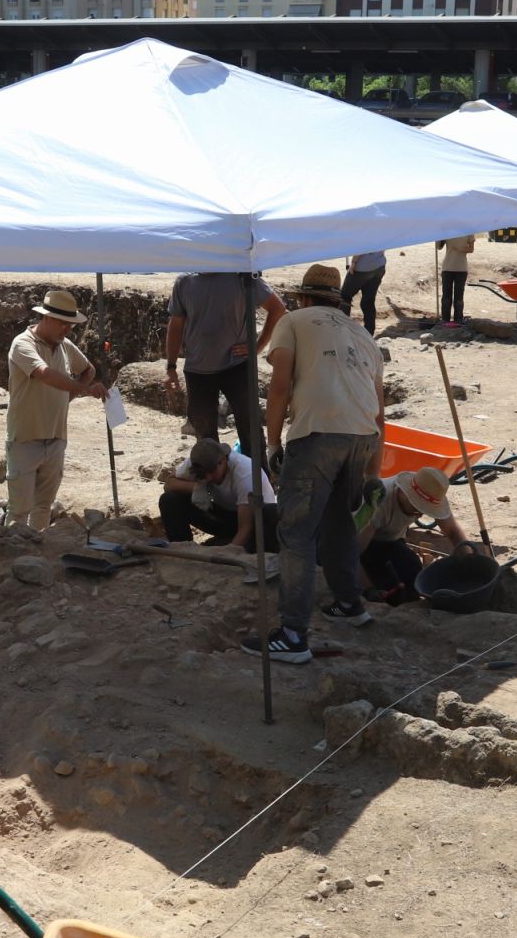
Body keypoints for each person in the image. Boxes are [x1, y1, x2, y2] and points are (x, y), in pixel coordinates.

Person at [243, 263, 384, 664]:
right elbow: (380, 411)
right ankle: (350, 603)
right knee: (339, 521)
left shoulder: (292, 321)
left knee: (297, 533)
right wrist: (374, 470)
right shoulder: (363, 335)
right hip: (362, 436)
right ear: (337, 301)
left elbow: (280, 387)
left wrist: (273, 443)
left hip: (317, 433)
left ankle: (292, 635)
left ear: (303, 297)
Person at [5, 289, 104, 530]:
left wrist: (71, 395)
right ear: (47, 318)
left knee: (43, 506)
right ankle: (11, 550)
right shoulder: (23, 343)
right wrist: (83, 390)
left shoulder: (64, 345)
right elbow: (45, 374)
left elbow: (88, 369)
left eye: (70, 325)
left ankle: (37, 545)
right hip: (26, 438)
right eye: (63, 323)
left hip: (56, 438)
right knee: (19, 510)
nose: (67, 329)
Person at [163, 272, 288, 446]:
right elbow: (176, 324)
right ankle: (212, 464)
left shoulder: (240, 276)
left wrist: (257, 347)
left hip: (237, 366)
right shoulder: (184, 282)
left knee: (251, 431)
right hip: (197, 370)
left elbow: (277, 308)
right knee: (205, 437)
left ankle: (256, 465)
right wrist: (171, 367)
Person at [352, 466, 468, 603]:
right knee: (384, 585)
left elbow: (452, 531)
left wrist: (471, 560)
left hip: (390, 541)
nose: (420, 515)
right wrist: (369, 589)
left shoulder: (431, 488)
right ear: (405, 493)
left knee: (412, 570)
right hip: (358, 542)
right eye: (417, 508)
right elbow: (351, 554)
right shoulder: (378, 504)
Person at [158, 437, 279, 551]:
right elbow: (169, 484)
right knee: (169, 500)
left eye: (211, 471)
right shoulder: (196, 462)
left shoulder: (245, 473)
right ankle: (182, 551)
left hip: (256, 523)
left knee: (267, 519)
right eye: (202, 474)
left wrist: (226, 553)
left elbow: (245, 528)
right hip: (225, 518)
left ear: (223, 461)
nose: (208, 478)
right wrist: (197, 488)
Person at [339, 251, 386, 337]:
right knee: (368, 301)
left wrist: (353, 262)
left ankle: (343, 331)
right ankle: (369, 333)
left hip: (362, 267)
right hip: (379, 264)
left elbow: (361, 248)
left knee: (344, 297)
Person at [437, 235, 475, 327]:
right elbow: (439, 247)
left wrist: (459, 248)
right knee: (446, 296)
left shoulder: (469, 232)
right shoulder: (447, 231)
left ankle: (458, 320)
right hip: (447, 268)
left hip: (461, 269)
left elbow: (471, 249)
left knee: (459, 297)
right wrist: (438, 235)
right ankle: (445, 320)